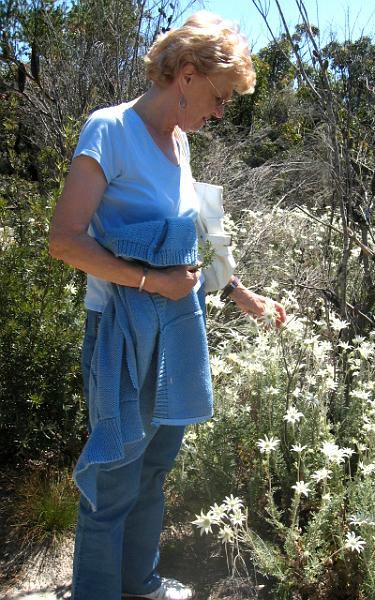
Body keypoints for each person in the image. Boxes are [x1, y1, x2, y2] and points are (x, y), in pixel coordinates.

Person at [49, 10, 286, 600]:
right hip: (123, 333)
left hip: (176, 331)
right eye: (219, 95)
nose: (220, 111)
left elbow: (192, 243)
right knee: (114, 480)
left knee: (153, 471)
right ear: (185, 74)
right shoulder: (111, 129)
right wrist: (152, 284)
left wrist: (236, 292)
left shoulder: (179, 144)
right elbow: (65, 240)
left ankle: (140, 583)